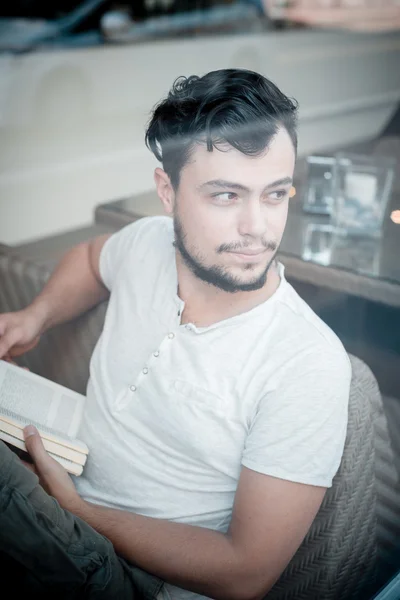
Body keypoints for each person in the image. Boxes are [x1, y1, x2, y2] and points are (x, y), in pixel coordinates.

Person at [0, 69, 351, 600]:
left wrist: (80, 511)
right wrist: (35, 316)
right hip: (62, 497)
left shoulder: (307, 363)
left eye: (274, 194)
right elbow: (93, 260)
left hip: (138, 578)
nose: (257, 227)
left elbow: (245, 573)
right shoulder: (146, 243)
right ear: (167, 191)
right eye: (227, 196)